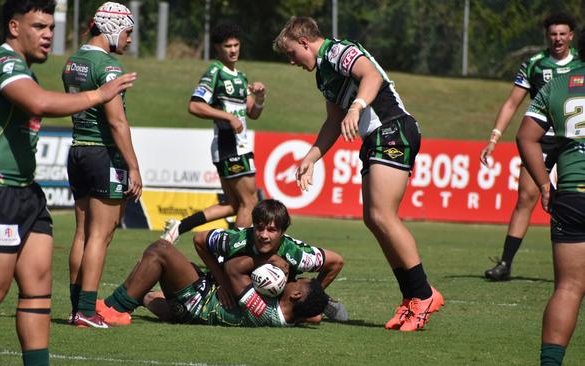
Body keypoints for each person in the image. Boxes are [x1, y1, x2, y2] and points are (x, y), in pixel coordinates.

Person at [0, 1, 136, 365]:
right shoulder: (3, 62)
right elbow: (39, 103)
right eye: (39, 27)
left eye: (51, 28)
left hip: (25, 192)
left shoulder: (25, 67)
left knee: (37, 293)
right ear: (13, 27)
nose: (48, 35)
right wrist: (98, 95)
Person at [273, 16, 443, 331]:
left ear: (304, 42)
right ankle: (410, 298)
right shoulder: (323, 74)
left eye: (291, 52)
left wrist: (357, 106)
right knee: (373, 218)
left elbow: (371, 75)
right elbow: (332, 121)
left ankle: (424, 293)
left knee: (383, 215)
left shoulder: (337, 51)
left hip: (393, 128)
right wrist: (312, 156)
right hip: (376, 137)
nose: (291, 61)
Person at [481, 13, 582, 281]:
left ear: (571, 35)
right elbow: (512, 103)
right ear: (546, 36)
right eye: (553, 34)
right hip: (541, 138)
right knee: (526, 197)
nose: (557, 38)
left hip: (575, 140)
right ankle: (505, 263)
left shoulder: (581, 64)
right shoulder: (534, 65)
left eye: (563, 33)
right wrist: (494, 137)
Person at [63, 1, 142, 329]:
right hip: (103, 154)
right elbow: (117, 123)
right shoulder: (108, 67)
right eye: (127, 32)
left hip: (77, 150)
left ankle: (75, 308)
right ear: (111, 28)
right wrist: (134, 166)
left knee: (82, 233)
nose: (129, 40)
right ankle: (86, 310)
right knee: (101, 233)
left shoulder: (72, 62)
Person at [516, 29, 585, 366]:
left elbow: (525, 137)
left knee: (569, 288)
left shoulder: (557, 85)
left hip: (572, 194)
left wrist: (544, 184)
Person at [160, 22, 266, 243]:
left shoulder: (240, 76)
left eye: (236, 45)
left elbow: (252, 113)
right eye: (228, 46)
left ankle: (180, 226)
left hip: (236, 145)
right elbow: (195, 105)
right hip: (230, 144)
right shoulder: (215, 72)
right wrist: (227, 117)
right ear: (218, 47)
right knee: (250, 202)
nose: (233, 50)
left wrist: (261, 98)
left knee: (234, 205)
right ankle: (235, 255)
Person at [96, 237, 330, 327]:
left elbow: (232, 269)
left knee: (160, 250)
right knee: (153, 282)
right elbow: (315, 314)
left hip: (199, 302)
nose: (296, 279)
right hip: (189, 311)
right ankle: (142, 294)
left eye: (300, 282)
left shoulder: (263, 311)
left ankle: (116, 307)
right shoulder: (292, 315)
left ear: (297, 295)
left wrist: (269, 258)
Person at [191, 198, 348, 321]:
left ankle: (324, 302)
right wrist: (224, 283)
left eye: (272, 230)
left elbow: (337, 262)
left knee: (314, 318)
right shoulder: (235, 240)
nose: (264, 235)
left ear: (282, 231)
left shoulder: (297, 256)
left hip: (281, 293)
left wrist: (311, 296)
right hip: (234, 280)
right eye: (259, 228)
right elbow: (198, 240)